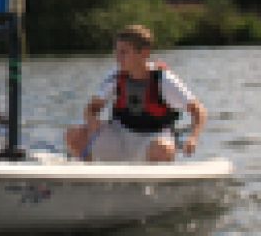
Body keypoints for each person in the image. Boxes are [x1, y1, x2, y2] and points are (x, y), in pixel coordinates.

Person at [65, 24, 206, 163]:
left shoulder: (164, 79)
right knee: (74, 135)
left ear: (143, 53)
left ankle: (152, 181)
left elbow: (199, 111)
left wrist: (193, 138)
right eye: (117, 52)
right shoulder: (115, 76)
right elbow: (91, 108)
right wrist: (91, 120)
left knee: (163, 149)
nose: (118, 58)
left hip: (151, 139)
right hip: (120, 137)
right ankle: (89, 177)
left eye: (124, 52)